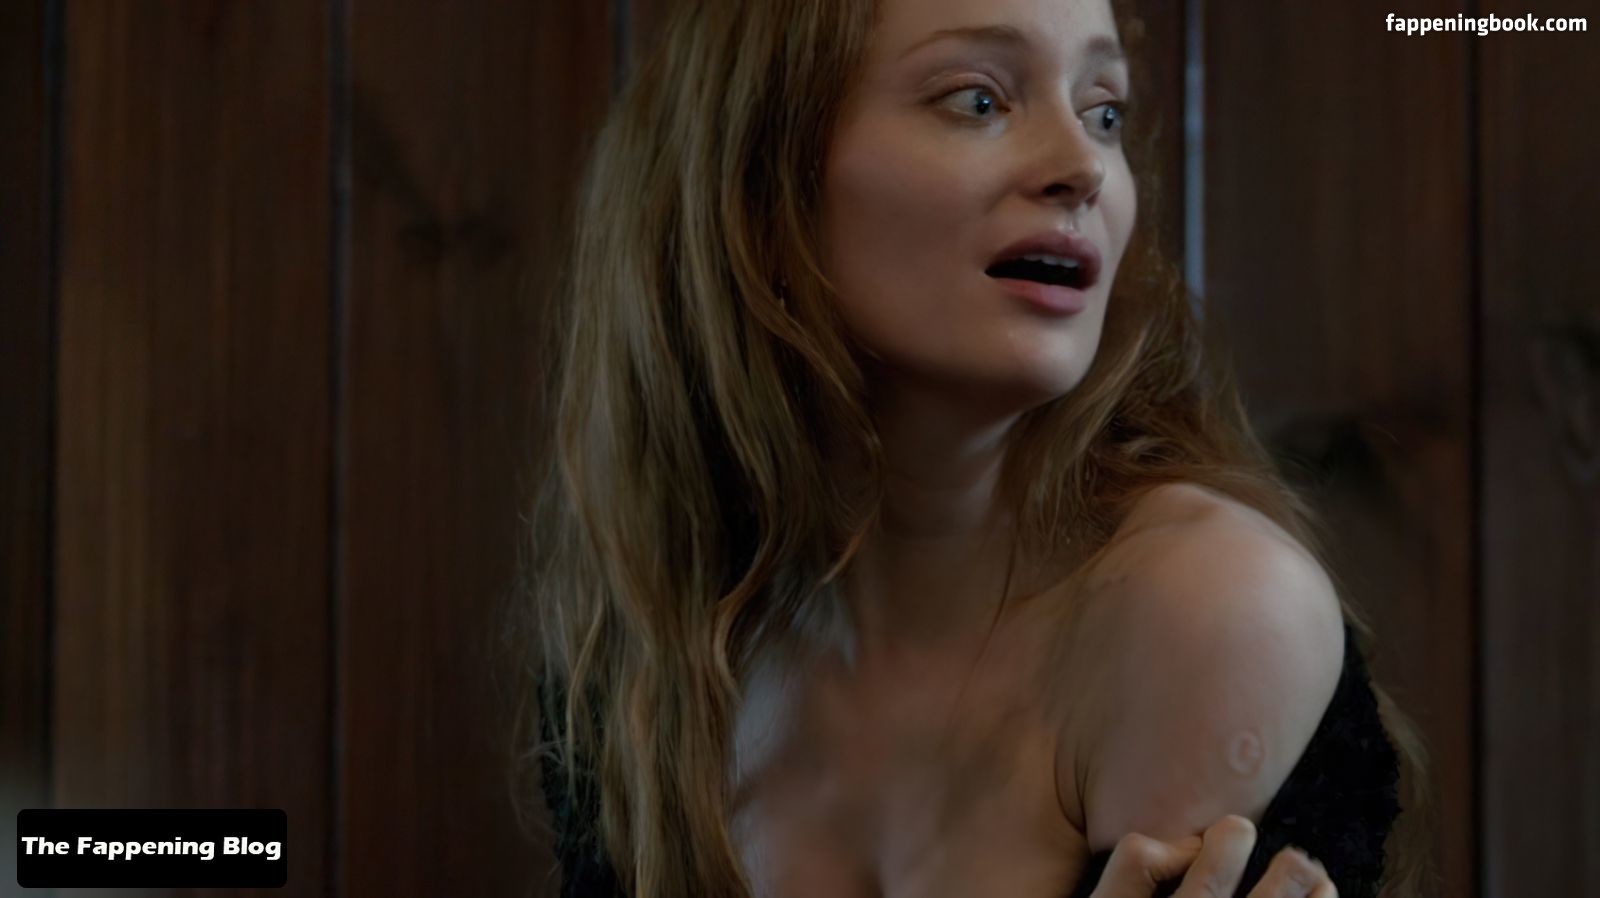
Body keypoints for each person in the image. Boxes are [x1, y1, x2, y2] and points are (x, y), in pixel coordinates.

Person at [513, 0, 1434, 895]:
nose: (1083, 166)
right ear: (759, 178)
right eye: (979, 100)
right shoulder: (648, 649)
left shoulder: (1205, 611)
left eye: (1104, 113)